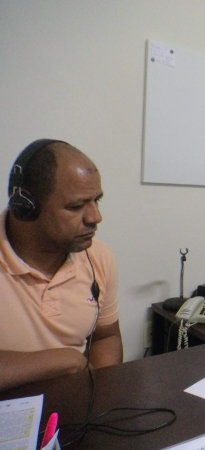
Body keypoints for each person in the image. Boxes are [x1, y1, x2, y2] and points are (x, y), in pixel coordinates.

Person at [0, 139, 122, 392]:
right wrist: (67, 360)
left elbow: (106, 336)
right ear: (26, 208)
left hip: (74, 405)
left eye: (96, 200)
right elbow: (71, 362)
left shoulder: (99, 256)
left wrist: (99, 395)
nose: (96, 217)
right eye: (76, 206)